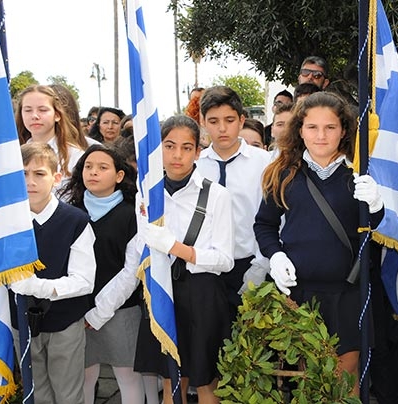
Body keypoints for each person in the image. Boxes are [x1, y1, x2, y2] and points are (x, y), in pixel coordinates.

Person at [85, 115, 234, 404]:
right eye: (169, 146)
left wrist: (176, 247)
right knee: (170, 385)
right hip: (160, 291)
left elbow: (225, 260)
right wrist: (101, 308)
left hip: (202, 294)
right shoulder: (146, 196)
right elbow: (134, 260)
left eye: (187, 147)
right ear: (158, 149)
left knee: (206, 385)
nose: (177, 155)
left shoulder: (217, 195)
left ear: (198, 152)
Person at [254, 91, 385, 397]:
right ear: (300, 129)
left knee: (344, 377)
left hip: (348, 292)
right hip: (301, 294)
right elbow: (264, 225)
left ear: (344, 130)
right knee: (309, 378)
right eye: (312, 127)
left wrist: (377, 204)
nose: (321, 135)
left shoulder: (360, 172)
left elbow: (375, 227)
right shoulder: (283, 173)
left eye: (330, 127)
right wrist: (275, 256)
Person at [10, 142, 96, 404]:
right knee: (36, 394)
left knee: (67, 394)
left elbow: (84, 281)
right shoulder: (8, 221)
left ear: (56, 178)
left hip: (63, 323)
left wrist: (35, 286)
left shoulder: (75, 220)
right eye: (23, 174)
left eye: (39, 174)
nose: (30, 182)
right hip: (21, 322)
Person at [59, 144, 144, 404]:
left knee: (127, 375)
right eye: (88, 166)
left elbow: (132, 270)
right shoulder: (70, 211)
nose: (93, 172)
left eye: (102, 167)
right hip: (78, 308)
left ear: (119, 176)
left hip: (121, 307)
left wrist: (100, 311)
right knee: (84, 375)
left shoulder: (132, 214)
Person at [196, 86, 272, 322]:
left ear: (241, 120)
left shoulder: (264, 162)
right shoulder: (196, 166)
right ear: (203, 122)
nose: (221, 128)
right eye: (213, 121)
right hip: (207, 267)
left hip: (251, 263)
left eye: (229, 120)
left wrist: (261, 265)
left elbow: (274, 219)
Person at [16, 84, 86, 194]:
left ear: (57, 115)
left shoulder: (76, 155)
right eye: (28, 110)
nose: (34, 116)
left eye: (42, 110)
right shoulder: (14, 154)